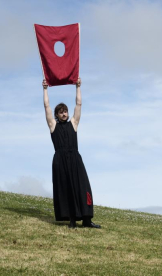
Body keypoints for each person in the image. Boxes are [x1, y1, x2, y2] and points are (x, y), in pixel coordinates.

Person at [43, 78, 100, 229]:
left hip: (75, 159)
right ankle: (72, 221)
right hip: (60, 160)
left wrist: (78, 87)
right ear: (57, 115)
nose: (64, 114)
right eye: (61, 112)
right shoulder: (53, 126)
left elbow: (79, 104)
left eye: (65, 111)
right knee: (66, 189)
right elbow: (46, 106)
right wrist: (45, 89)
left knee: (83, 187)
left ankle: (87, 220)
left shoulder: (73, 124)